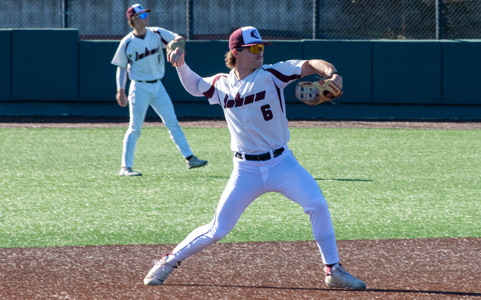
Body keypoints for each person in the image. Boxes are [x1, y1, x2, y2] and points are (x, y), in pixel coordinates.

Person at [142, 26, 366, 290]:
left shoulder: (272, 74)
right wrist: (180, 65)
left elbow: (311, 64)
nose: (261, 53)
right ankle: (168, 261)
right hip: (245, 170)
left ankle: (333, 270)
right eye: (256, 49)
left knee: (317, 204)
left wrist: (333, 75)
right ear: (236, 53)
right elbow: (195, 86)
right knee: (218, 229)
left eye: (262, 48)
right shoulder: (221, 84)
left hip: (282, 164)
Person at [111, 4, 207, 176]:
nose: (146, 17)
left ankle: (190, 158)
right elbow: (121, 67)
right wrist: (120, 90)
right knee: (135, 127)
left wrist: (177, 47)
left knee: (172, 122)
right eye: (141, 15)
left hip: (158, 86)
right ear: (133, 19)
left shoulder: (156, 33)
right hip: (139, 87)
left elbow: (177, 38)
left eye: (145, 14)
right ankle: (125, 167)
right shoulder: (127, 42)